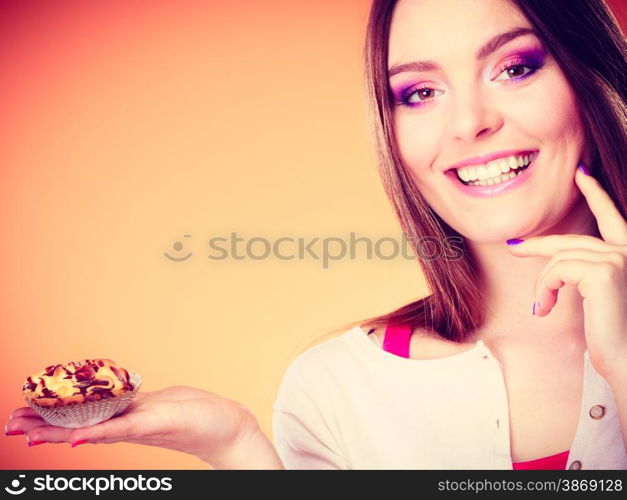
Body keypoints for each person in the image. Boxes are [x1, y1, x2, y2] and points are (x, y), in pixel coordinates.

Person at [5, 0, 626, 470]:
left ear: (593, 78)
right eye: (420, 92)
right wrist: (240, 448)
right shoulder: (338, 388)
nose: (468, 123)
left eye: (515, 67)